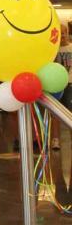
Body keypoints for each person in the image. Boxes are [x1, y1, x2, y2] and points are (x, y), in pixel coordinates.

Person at [52, 21, 72, 149]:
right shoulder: (53, 50)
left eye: (65, 33)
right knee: (55, 114)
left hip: (70, 84)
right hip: (56, 85)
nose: (63, 36)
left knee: (70, 114)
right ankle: (55, 140)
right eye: (61, 33)